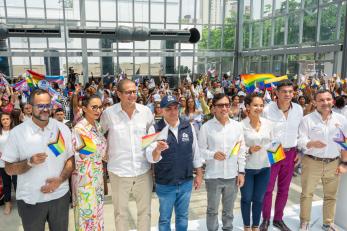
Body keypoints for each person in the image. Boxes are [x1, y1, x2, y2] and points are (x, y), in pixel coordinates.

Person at [1, 89, 74, 231]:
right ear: (30, 106)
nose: (45, 109)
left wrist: (59, 180)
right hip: (31, 200)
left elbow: (70, 160)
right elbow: (8, 168)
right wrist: (29, 162)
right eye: (40, 106)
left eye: (48, 105)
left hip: (60, 196)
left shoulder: (62, 129)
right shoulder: (18, 133)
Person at [100, 79, 154, 231]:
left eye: (134, 91)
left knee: (145, 213)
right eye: (128, 92)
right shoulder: (108, 114)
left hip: (143, 171)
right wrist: (103, 154)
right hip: (118, 172)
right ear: (118, 94)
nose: (132, 95)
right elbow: (99, 135)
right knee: (120, 214)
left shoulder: (146, 112)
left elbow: (151, 138)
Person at [146, 95, 203, 231]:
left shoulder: (187, 126)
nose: (172, 112)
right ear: (162, 110)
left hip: (185, 181)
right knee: (165, 218)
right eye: (168, 109)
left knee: (183, 217)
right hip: (165, 183)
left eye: (175, 108)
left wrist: (199, 173)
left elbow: (195, 151)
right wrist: (157, 150)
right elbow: (149, 157)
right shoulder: (154, 129)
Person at [298, 90, 347, 231]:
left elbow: (343, 142)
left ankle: (327, 223)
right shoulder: (307, 119)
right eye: (321, 100)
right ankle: (305, 222)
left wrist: (344, 163)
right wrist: (311, 143)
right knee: (307, 194)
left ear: (332, 101)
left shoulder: (341, 120)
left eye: (328, 99)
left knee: (331, 195)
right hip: (312, 162)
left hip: (333, 163)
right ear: (315, 102)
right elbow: (301, 140)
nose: (325, 103)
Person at [199, 93, 246, 231]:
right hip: (213, 176)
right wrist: (213, 154)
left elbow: (241, 151)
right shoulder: (206, 127)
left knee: (229, 211)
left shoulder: (237, 126)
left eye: (227, 105)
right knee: (212, 210)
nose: (224, 108)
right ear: (213, 108)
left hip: (232, 176)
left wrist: (241, 172)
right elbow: (200, 151)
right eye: (220, 105)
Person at [260, 80, 303, 231]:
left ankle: (278, 218)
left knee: (284, 189)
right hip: (274, 150)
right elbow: (263, 132)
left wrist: (300, 151)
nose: (288, 94)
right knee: (268, 188)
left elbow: (301, 132)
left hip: (291, 151)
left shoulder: (298, 109)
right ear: (276, 93)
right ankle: (265, 218)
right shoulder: (267, 109)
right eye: (284, 91)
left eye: (290, 92)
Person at [71, 95, 107, 231]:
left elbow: (102, 152)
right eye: (94, 107)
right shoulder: (79, 129)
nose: (98, 110)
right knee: (87, 220)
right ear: (84, 108)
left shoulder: (97, 126)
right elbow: (79, 157)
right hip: (84, 179)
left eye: (100, 107)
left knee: (97, 216)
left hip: (97, 178)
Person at [241, 94, 272, 231]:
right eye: (255, 105)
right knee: (247, 199)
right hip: (247, 168)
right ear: (247, 106)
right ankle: (247, 226)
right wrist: (249, 149)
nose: (258, 108)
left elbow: (274, 144)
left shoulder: (268, 124)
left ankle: (255, 227)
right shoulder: (240, 126)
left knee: (259, 199)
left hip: (265, 167)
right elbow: (237, 149)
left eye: (261, 105)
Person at [0, 112, 16, 215]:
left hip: (15, 162)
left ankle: (21, 202)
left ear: (10, 120)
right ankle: (7, 203)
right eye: (3, 119)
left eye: (7, 119)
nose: (5, 121)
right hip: (2, 162)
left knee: (17, 183)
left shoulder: (16, 132)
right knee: (6, 184)